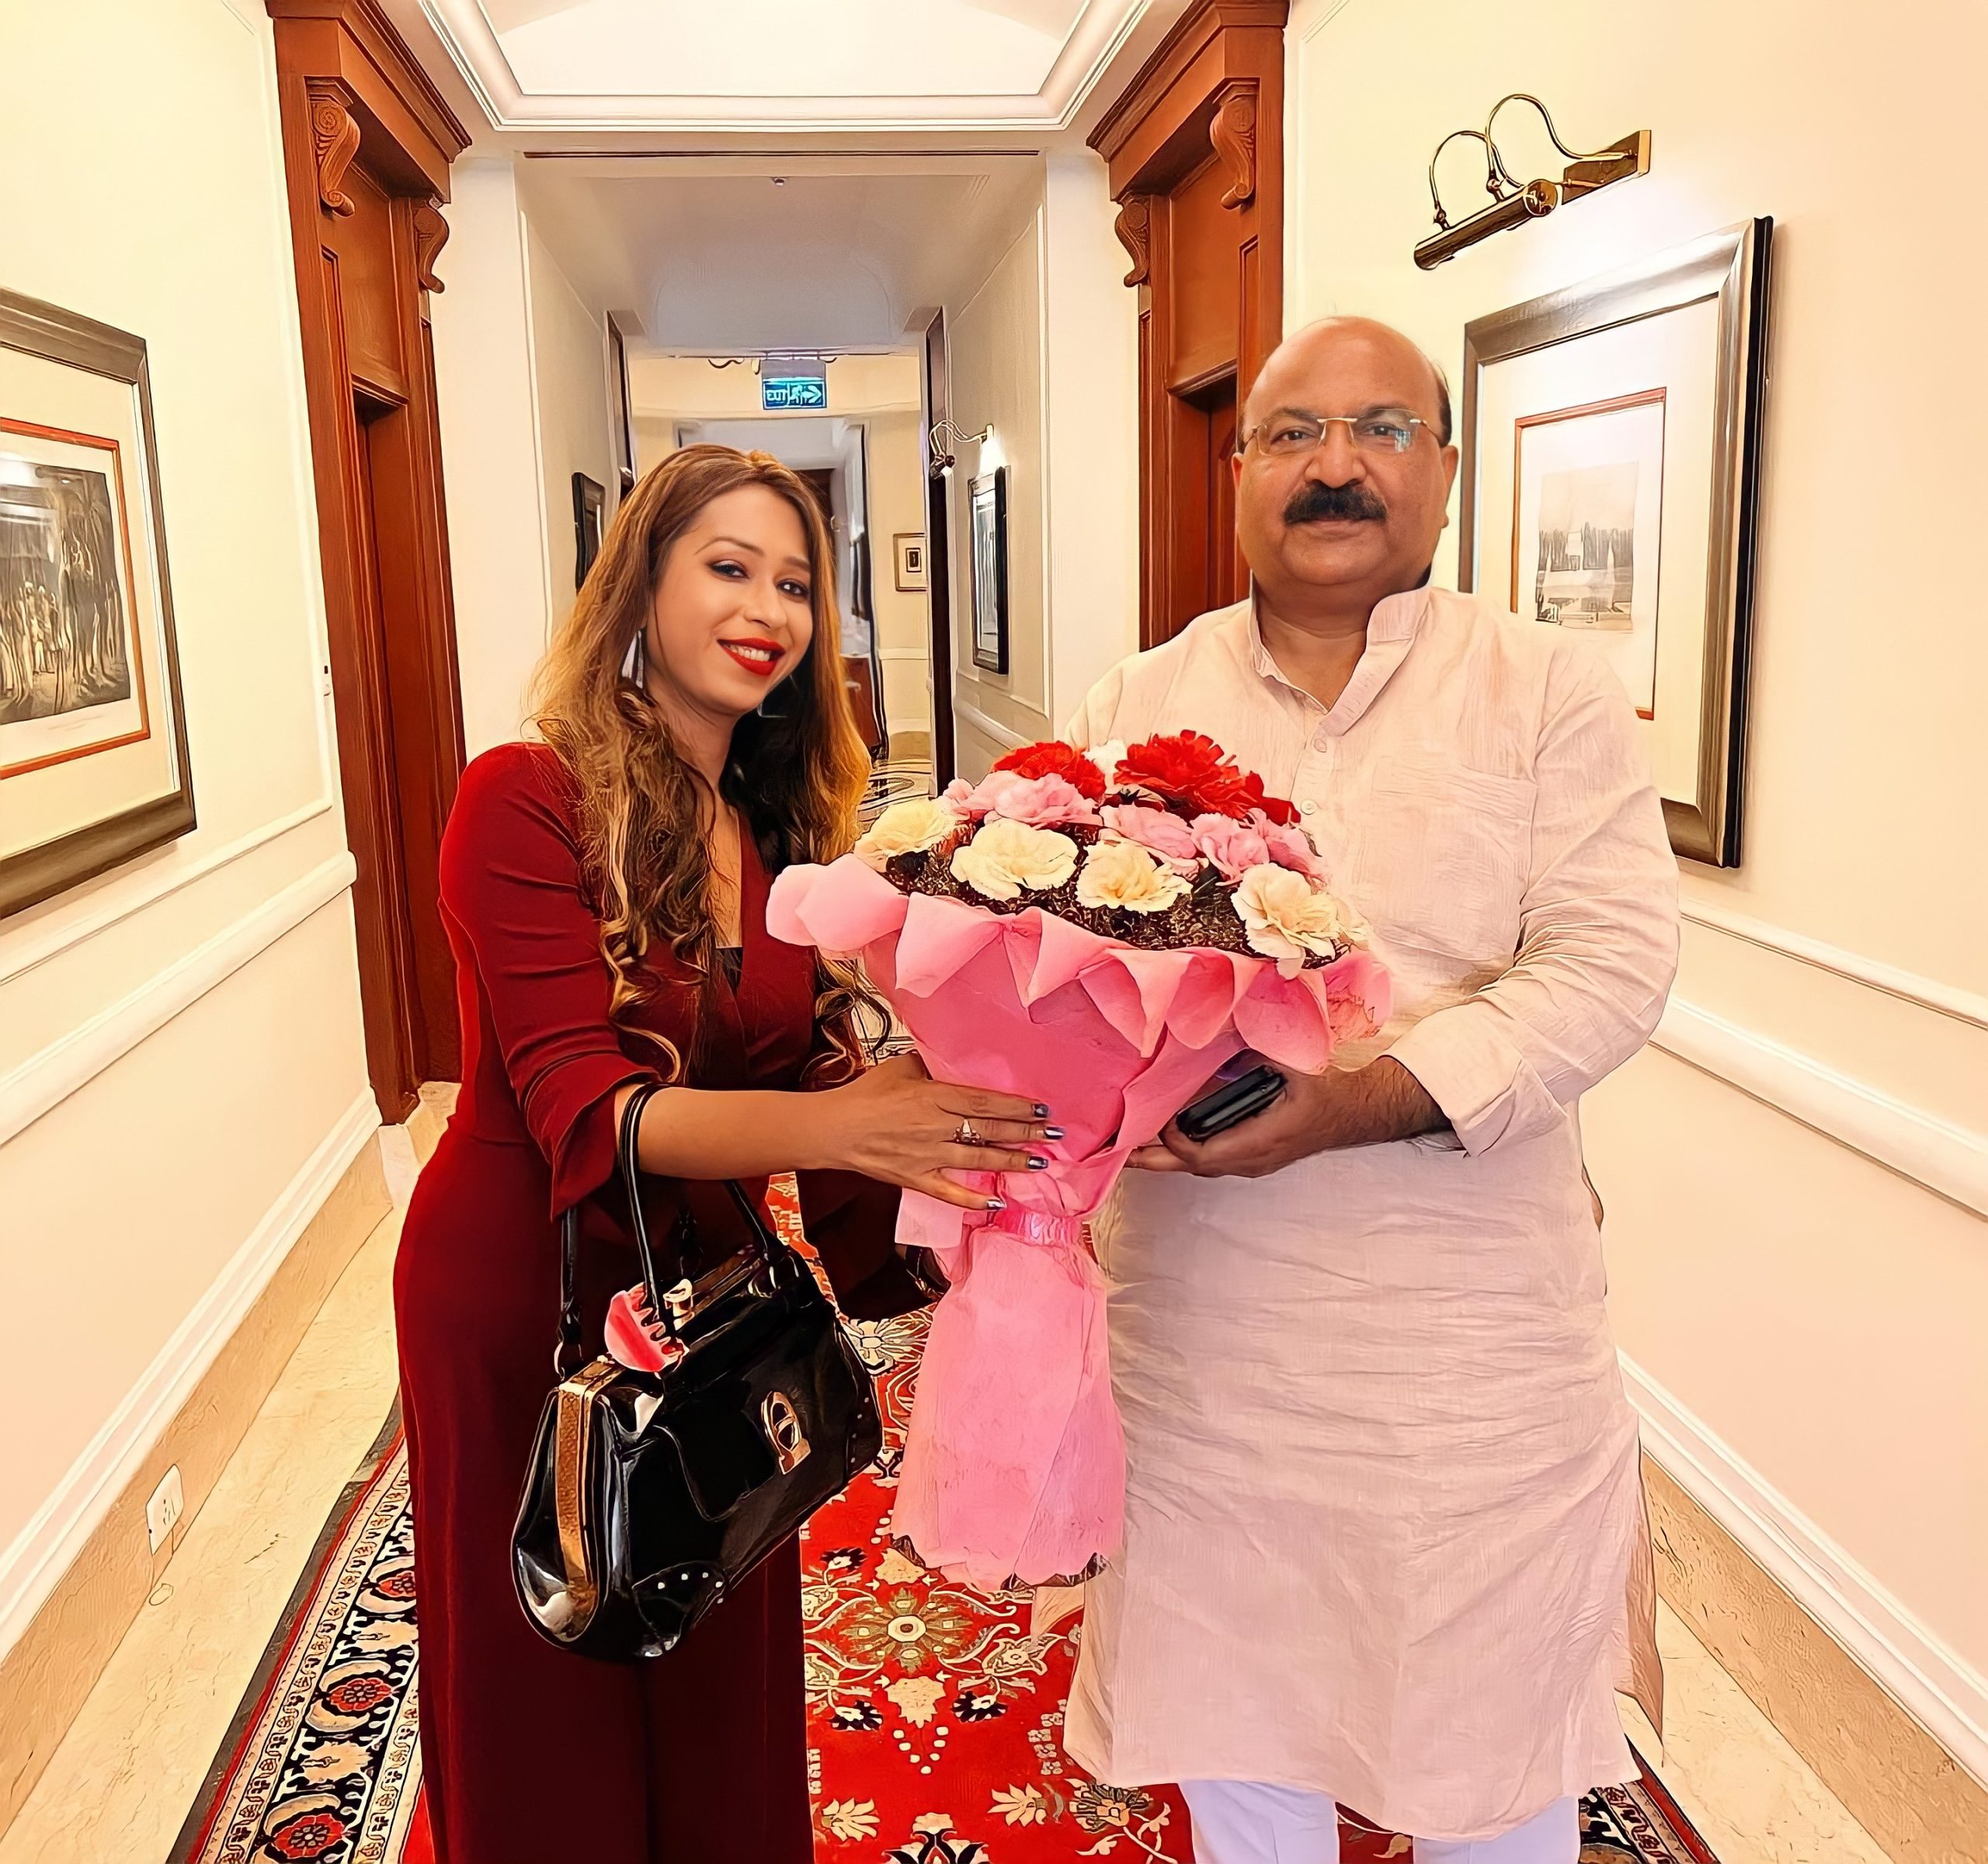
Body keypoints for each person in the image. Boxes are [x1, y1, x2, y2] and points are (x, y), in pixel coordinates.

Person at [1062, 318, 1680, 1863]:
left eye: (1381, 430)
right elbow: (1064, 971)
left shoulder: (1546, 688)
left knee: (1491, 1763)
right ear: (1238, 471)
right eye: (1292, 434)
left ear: (1446, 470)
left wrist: (1354, 1100)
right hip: (1207, 1350)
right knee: (1235, 1745)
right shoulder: (1135, 700)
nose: (1333, 466)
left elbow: (1611, 963)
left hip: (1468, 1359)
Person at [394, 445, 1057, 1864]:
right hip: (530, 1287)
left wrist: (951, 1128)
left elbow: (786, 1055)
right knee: (554, 1667)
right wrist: (849, 1122)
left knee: (713, 1608)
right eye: (730, 568)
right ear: (643, 582)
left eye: (798, 583)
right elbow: (592, 1113)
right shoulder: (521, 795)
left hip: (710, 1292)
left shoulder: (763, 816)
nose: (768, 610)